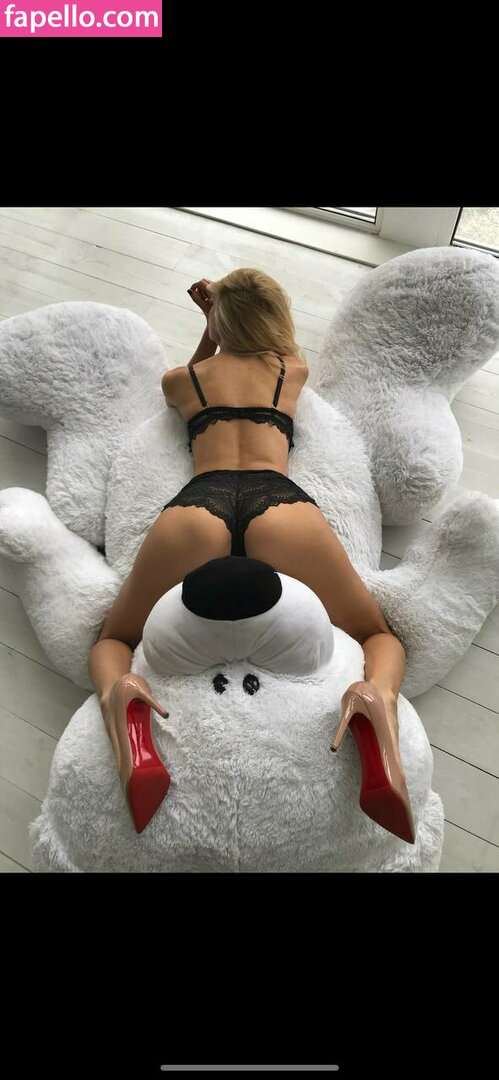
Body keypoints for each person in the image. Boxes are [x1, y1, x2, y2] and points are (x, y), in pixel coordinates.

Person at [88, 269, 414, 843]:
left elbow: (186, 376)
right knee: (375, 635)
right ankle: (376, 700)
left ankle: (123, 709)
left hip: (199, 508)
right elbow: (281, 345)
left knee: (113, 640)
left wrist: (208, 329)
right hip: (278, 505)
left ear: (219, 326)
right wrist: (227, 316)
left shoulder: (184, 380)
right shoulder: (290, 369)